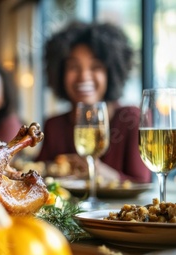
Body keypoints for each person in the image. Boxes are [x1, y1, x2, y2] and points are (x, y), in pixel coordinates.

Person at [35, 21, 151, 183]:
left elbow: (142, 183)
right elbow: (37, 178)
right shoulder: (53, 126)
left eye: (96, 67)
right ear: (60, 73)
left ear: (111, 73)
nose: (83, 77)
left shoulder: (131, 119)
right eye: (73, 67)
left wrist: (98, 172)